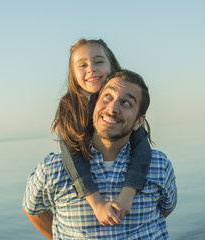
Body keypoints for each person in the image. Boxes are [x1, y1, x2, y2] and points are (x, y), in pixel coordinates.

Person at [23, 70, 177, 239]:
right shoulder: (53, 169)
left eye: (126, 103)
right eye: (108, 97)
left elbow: (166, 208)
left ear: (139, 121)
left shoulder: (158, 165)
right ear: (94, 105)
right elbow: (32, 209)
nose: (112, 108)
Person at [50, 39, 152, 225]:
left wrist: (128, 193)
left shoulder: (126, 99)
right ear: (73, 73)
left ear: (112, 65)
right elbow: (71, 156)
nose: (91, 69)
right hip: (88, 183)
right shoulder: (69, 107)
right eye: (82, 65)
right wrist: (96, 203)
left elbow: (142, 149)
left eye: (98, 62)